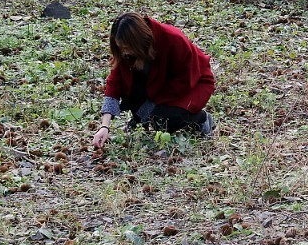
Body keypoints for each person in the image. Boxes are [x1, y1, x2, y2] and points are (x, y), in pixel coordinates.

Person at [91, 11, 215, 147]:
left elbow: (183, 82)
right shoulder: (126, 52)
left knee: (163, 119)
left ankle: (201, 119)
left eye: (126, 48)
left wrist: (149, 108)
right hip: (156, 83)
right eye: (121, 48)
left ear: (139, 42)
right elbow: (115, 83)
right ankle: (142, 118)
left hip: (192, 83)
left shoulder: (172, 39)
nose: (124, 52)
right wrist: (105, 126)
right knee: (136, 94)